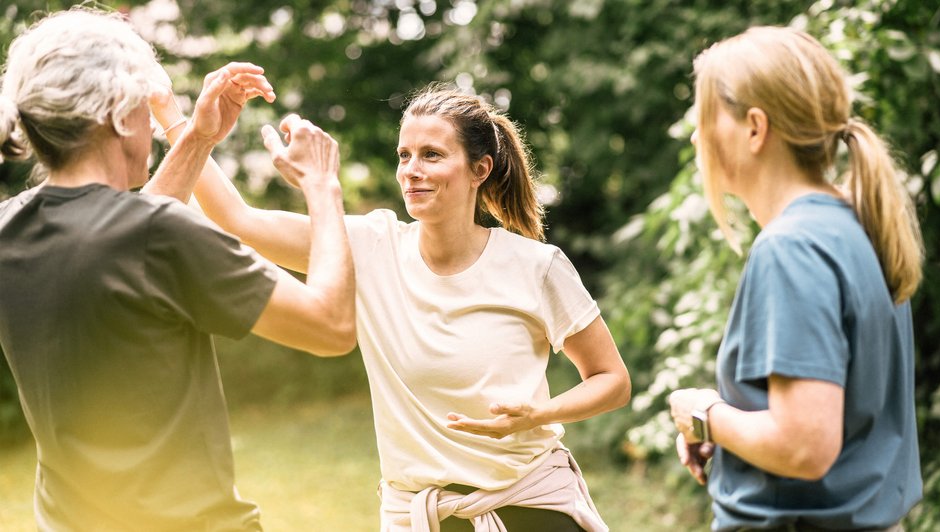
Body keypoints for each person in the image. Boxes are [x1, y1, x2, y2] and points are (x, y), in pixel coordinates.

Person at [148, 81, 631, 530]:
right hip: (417, 516)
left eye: (432, 155)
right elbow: (238, 221)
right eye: (404, 155)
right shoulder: (369, 246)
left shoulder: (536, 266)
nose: (411, 170)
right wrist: (173, 114)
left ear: (479, 170)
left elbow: (611, 380)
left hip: (529, 509)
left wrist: (538, 415)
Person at [0, 7, 355, 530]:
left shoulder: (11, 227)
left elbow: (122, 237)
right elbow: (330, 325)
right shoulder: (153, 235)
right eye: (145, 106)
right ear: (120, 115)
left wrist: (197, 135)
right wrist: (322, 188)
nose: (149, 119)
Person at [666, 26, 924, 531]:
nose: (697, 136)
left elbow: (805, 446)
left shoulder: (792, 248)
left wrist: (702, 412)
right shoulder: (859, 226)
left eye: (704, 117)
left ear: (755, 129)